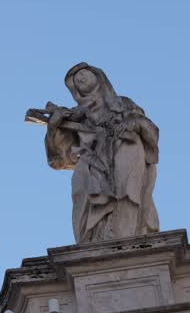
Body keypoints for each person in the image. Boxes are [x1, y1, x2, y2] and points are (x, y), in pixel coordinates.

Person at [41, 63, 160, 243]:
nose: (81, 78)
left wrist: (134, 123)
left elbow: (150, 131)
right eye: (76, 79)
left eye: (84, 74)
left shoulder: (123, 104)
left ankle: (126, 233)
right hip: (91, 167)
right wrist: (53, 127)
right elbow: (58, 160)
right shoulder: (74, 116)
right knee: (82, 180)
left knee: (125, 176)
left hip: (125, 154)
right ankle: (94, 239)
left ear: (99, 77)